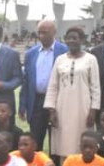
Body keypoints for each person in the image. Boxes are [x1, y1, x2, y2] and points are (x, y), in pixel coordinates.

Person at [45, 26, 100, 159]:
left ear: (82, 40)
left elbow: (95, 87)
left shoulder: (90, 59)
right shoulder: (60, 59)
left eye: (75, 38)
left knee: (81, 140)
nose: (71, 41)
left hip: (83, 108)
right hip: (62, 108)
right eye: (69, 38)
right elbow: (53, 86)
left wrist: (93, 111)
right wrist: (51, 111)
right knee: (63, 142)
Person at [20, 19, 68, 148]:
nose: (41, 36)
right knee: (35, 140)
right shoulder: (31, 54)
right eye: (39, 33)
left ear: (54, 32)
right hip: (36, 102)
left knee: (57, 141)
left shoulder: (65, 51)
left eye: (45, 33)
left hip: (57, 102)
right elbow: (26, 82)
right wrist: (22, 105)